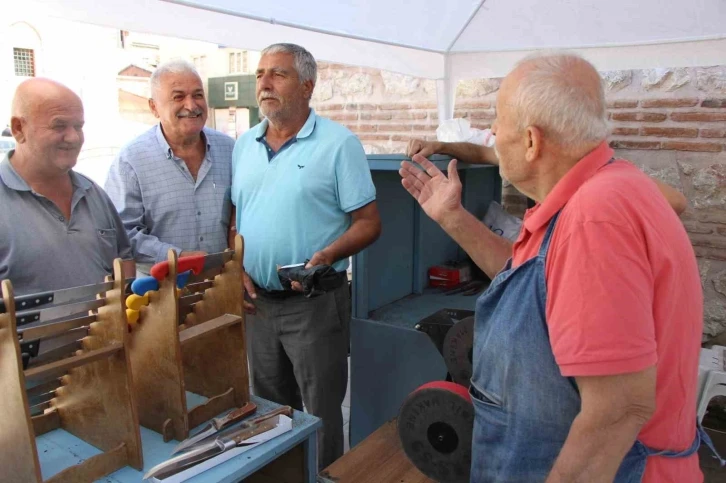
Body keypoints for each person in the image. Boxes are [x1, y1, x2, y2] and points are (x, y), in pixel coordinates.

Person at [399, 53, 719, 482]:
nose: (493, 132)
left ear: (531, 141)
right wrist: (452, 217)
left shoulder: (594, 219)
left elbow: (619, 409)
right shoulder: (601, 190)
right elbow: (528, 283)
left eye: (498, 120)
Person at [231, 43, 381, 469]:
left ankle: (325, 476)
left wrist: (328, 254)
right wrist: (237, 265)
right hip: (257, 305)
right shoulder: (244, 145)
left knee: (319, 414)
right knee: (269, 412)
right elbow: (237, 218)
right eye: (259, 74)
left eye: (277, 74)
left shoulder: (338, 144)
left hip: (314, 304)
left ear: (307, 85)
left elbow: (369, 223)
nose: (264, 83)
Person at [0, 78, 133, 294]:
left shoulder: (93, 193)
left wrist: (122, 311)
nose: (73, 138)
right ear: (18, 128)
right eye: (59, 125)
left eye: (78, 126)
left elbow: (123, 257)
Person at [105, 59, 234, 275]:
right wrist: (176, 257)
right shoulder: (131, 161)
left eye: (198, 95)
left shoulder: (230, 150)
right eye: (178, 97)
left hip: (224, 286)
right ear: (154, 107)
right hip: (160, 292)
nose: (191, 105)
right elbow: (122, 233)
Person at [406, 138, 688, 215]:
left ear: (534, 139)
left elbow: (675, 202)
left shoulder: (604, 175)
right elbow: (481, 154)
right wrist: (441, 146)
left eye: (502, 124)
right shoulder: (527, 160)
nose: (494, 131)